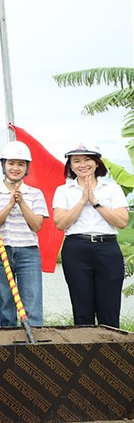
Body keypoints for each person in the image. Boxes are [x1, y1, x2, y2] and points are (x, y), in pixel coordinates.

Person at [53, 140, 128, 328]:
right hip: (76, 248)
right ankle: (84, 345)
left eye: (87, 159)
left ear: (97, 162)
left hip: (107, 248)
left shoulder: (112, 189)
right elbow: (60, 223)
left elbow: (122, 221)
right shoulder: (63, 190)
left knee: (109, 308)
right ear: (70, 165)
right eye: (76, 161)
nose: (82, 165)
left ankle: (111, 346)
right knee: (82, 308)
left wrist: (95, 202)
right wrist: (82, 201)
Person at [0, 141, 47, 327]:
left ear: (27, 167)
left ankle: (34, 340)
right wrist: (10, 203)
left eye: (21, 164)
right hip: (0, 251)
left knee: (32, 304)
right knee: (6, 305)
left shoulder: (35, 193)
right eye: (11, 163)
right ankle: (9, 342)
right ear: (3, 165)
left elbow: (37, 225)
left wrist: (22, 202)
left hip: (29, 252)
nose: (15, 168)